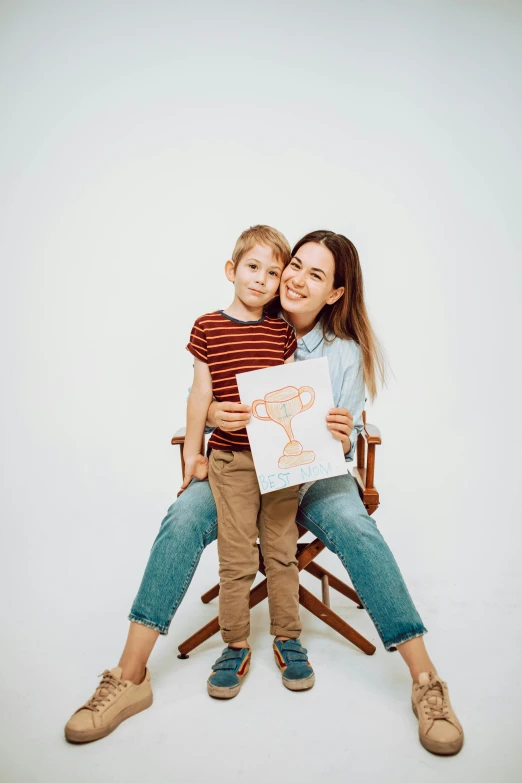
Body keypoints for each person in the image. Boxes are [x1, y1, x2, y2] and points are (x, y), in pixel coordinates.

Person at [64, 229, 464, 757]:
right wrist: (207, 417)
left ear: (336, 294)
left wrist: (344, 430)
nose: (294, 279)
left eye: (315, 275)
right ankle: (128, 674)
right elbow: (207, 388)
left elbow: (347, 435)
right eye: (294, 265)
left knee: (356, 528)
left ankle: (426, 682)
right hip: (240, 469)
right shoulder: (250, 313)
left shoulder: (344, 352)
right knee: (182, 519)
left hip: (315, 474)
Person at [183, 225, 314, 699]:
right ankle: (235, 643)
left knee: (281, 551)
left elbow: (286, 394)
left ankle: (288, 638)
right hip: (231, 461)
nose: (261, 279)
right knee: (236, 557)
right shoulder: (207, 326)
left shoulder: (281, 331)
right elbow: (201, 394)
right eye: (252, 267)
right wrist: (192, 454)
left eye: (273, 272)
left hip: (278, 461)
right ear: (231, 270)